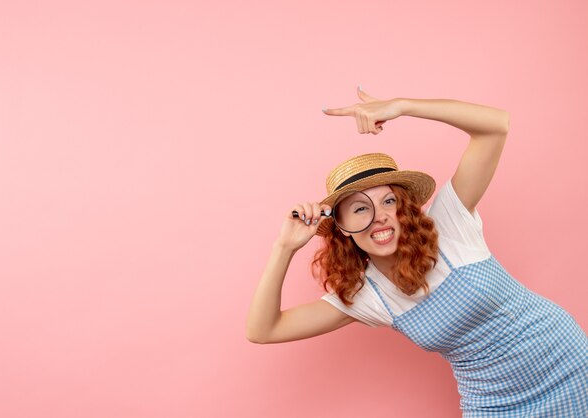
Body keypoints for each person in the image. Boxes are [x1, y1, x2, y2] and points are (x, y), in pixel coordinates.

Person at [245, 89, 588, 417]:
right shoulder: (369, 297)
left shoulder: (449, 225)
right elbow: (263, 330)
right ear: (341, 228)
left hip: (567, 364)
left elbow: (495, 127)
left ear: (404, 209)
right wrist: (284, 248)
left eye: (389, 201)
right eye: (360, 208)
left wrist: (402, 105)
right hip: (493, 402)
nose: (379, 215)